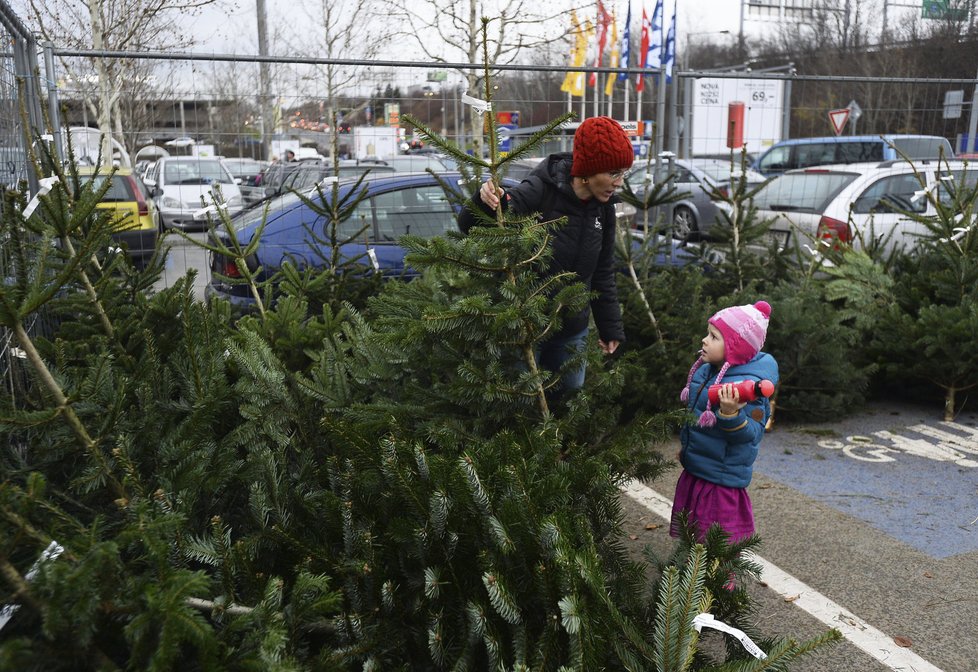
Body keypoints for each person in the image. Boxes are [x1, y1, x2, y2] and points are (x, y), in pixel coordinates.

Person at [458, 116, 633, 394]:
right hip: (527, 330)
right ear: (589, 170)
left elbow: (602, 270)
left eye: (624, 173)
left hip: (573, 329)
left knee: (568, 403)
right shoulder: (541, 190)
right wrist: (486, 200)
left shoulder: (604, 208)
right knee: (523, 403)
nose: (619, 182)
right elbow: (473, 225)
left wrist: (610, 327)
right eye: (613, 173)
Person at [671, 301, 779, 547]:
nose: (704, 341)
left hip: (720, 482)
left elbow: (751, 434)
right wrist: (689, 447)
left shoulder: (748, 386)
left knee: (717, 543)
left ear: (735, 346)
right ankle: (691, 579)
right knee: (693, 537)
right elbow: (698, 420)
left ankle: (720, 583)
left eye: (713, 337)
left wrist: (731, 414)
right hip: (698, 469)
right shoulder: (707, 371)